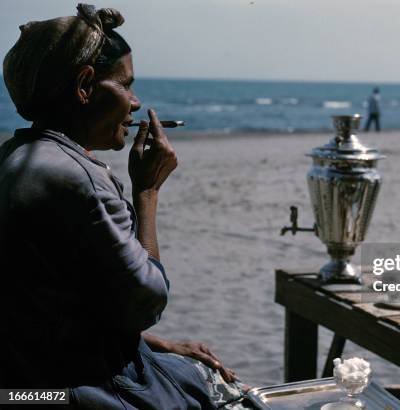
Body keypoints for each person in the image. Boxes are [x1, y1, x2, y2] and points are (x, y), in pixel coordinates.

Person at [0, 4, 250, 409]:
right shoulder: (76, 179)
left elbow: (49, 308)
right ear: (84, 85)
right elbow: (144, 303)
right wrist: (147, 191)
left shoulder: (12, 159)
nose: (134, 103)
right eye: (125, 85)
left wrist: (157, 345)